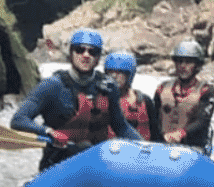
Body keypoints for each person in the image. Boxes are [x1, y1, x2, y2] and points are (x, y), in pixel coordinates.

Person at [11, 28, 142, 171]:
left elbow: (121, 127)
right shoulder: (52, 86)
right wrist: (48, 131)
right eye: (80, 50)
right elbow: (19, 119)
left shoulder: (108, 87)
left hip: (96, 166)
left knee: (87, 148)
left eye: (92, 52)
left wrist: (146, 147)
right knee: (82, 148)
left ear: (98, 59)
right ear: (71, 54)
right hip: (58, 164)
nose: (86, 55)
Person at [153, 40, 214, 152]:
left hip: (193, 149)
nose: (183, 66)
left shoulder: (206, 91)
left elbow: (202, 121)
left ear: (197, 65)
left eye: (188, 62)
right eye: (179, 62)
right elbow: (153, 119)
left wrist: (180, 134)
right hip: (163, 145)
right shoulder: (162, 88)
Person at [104, 50, 161, 142]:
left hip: (140, 153)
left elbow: (156, 134)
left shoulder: (145, 101)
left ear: (129, 75)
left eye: (119, 72)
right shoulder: (101, 99)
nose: (114, 76)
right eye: (110, 72)